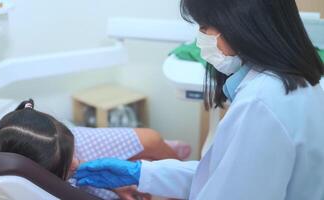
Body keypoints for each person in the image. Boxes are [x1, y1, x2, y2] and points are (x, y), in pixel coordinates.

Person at [74, 0, 324, 199]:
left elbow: (229, 189)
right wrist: (141, 173)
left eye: (205, 26)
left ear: (241, 26)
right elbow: (221, 175)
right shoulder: (302, 81)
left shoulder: (262, 102)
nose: (200, 37)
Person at [0, 99, 191, 200]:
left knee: (150, 147)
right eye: (67, 166)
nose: (77, 163)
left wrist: (117, 184)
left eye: (74, 154)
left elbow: (150, 139)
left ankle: (169, 150)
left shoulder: (72, 143)